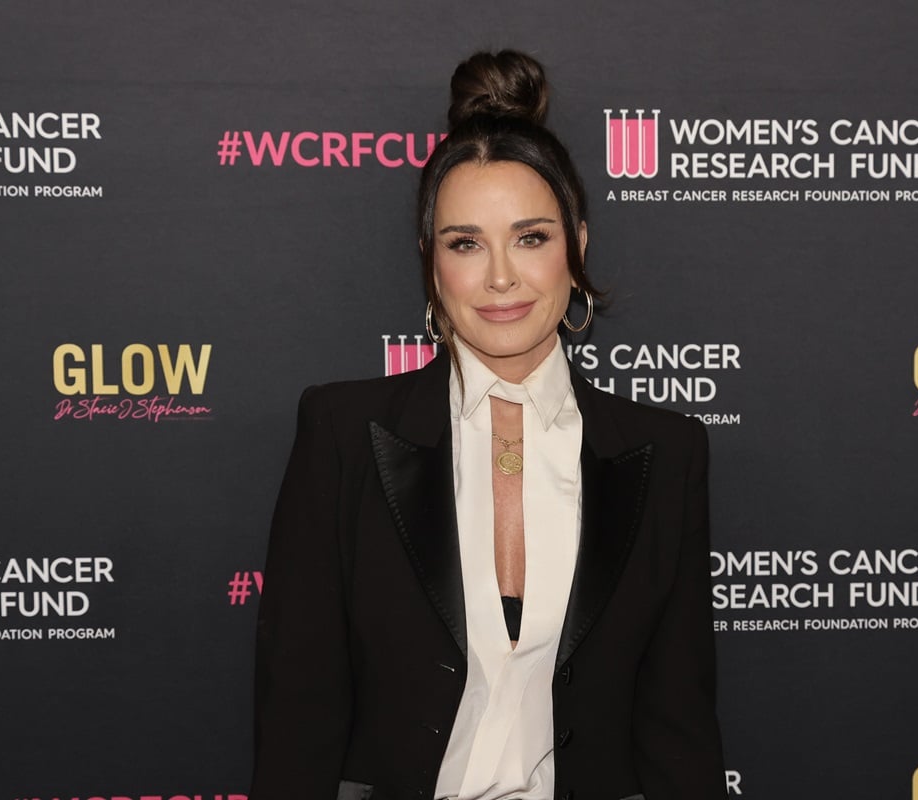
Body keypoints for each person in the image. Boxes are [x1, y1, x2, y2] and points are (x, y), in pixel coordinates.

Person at [251, 50, 726, 800]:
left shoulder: (666, 453)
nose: (500, 276)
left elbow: (678, 725)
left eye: (531, 238)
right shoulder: (343, 433)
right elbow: (298, 709)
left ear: (577, 243)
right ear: (430, 263)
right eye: (465, 242)